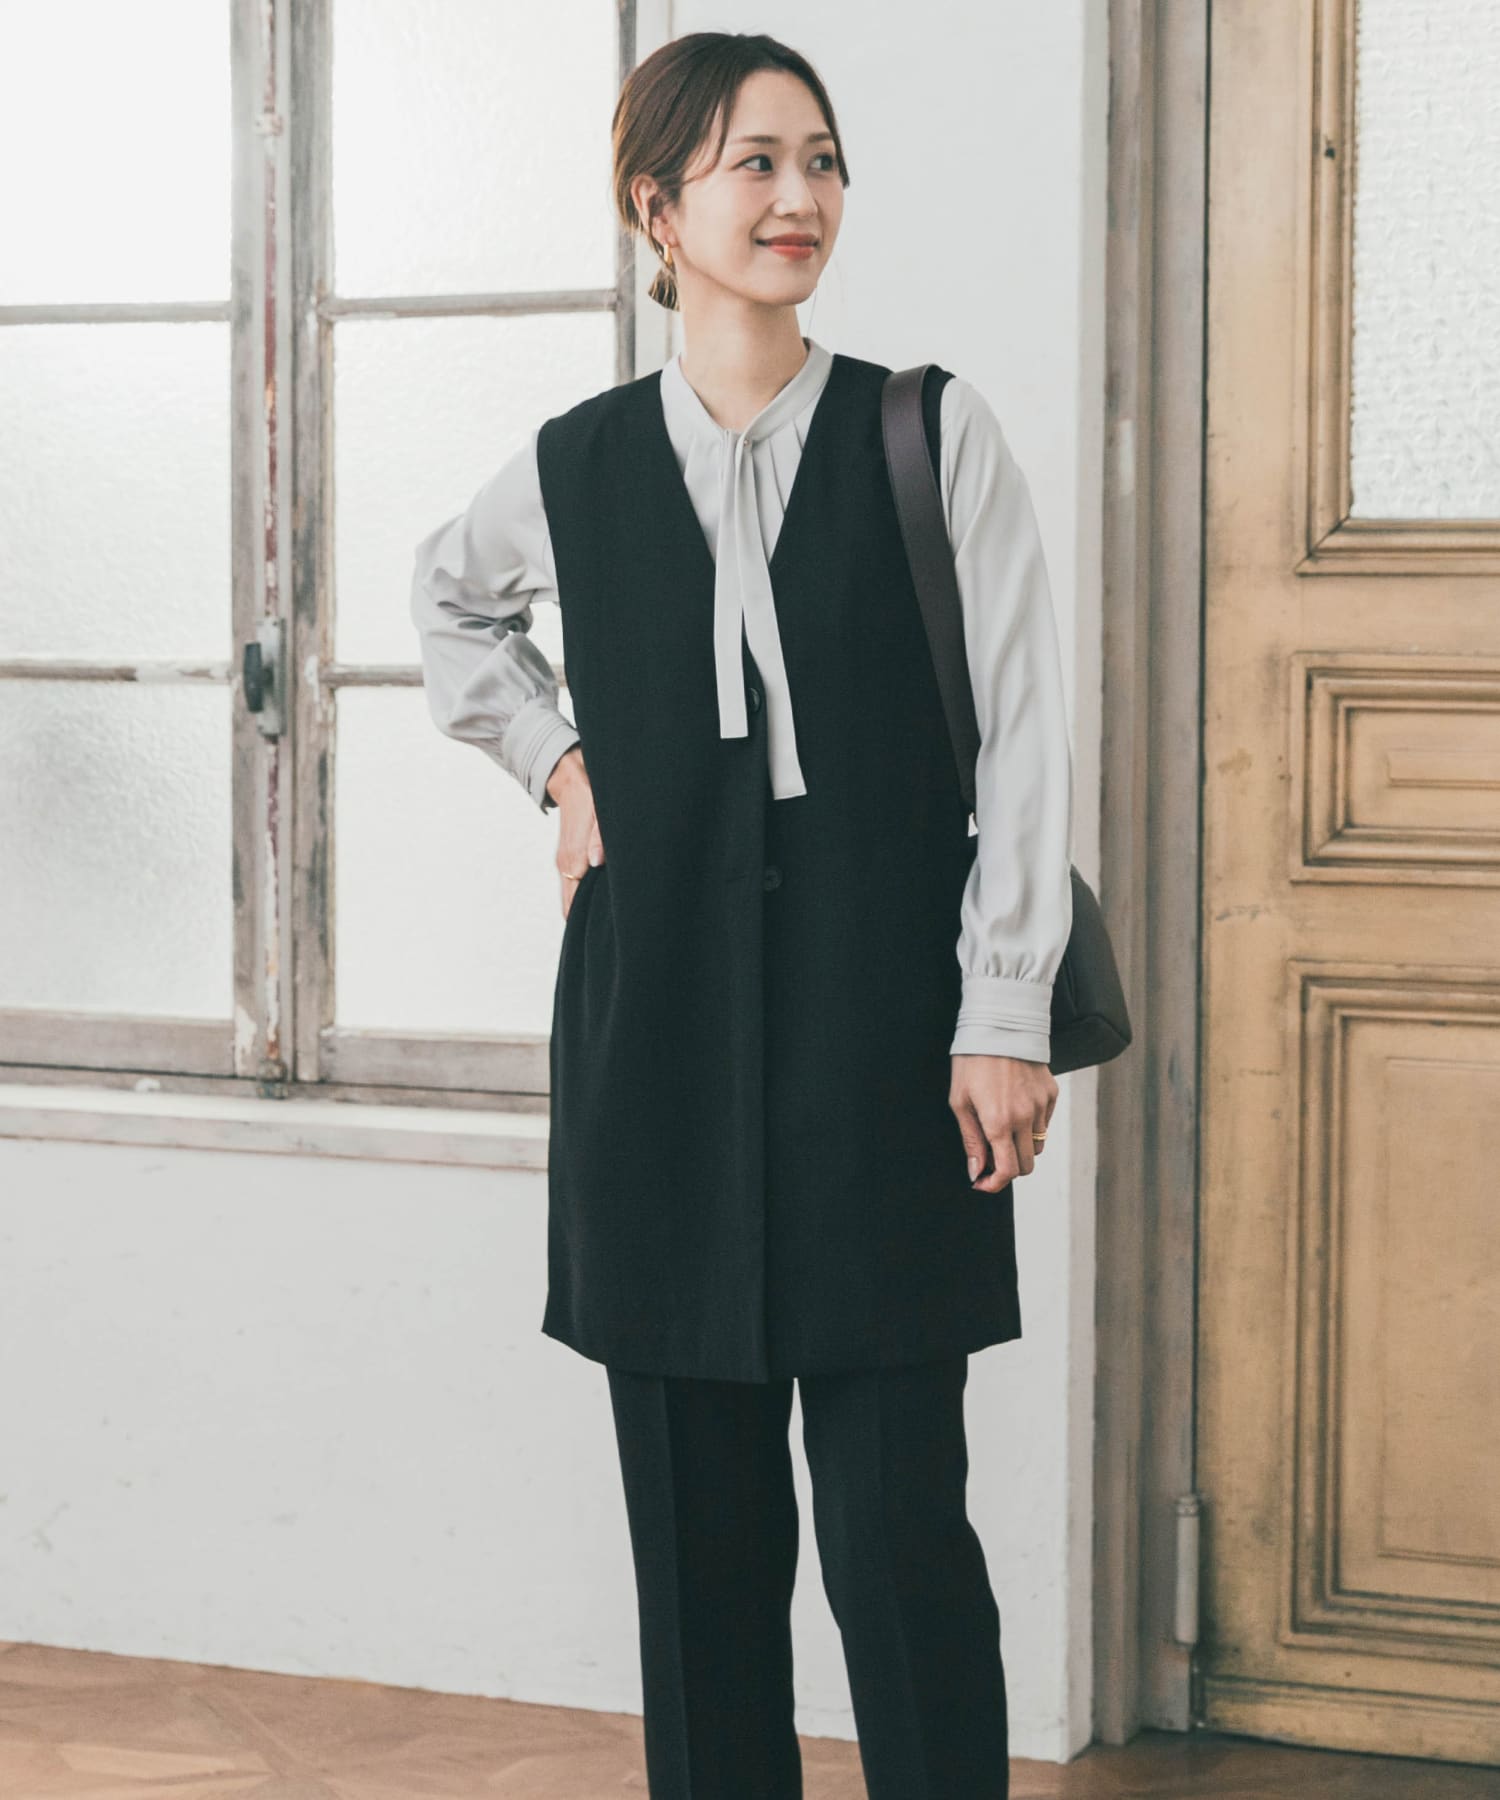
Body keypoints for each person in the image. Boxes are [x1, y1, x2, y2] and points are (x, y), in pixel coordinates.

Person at [409, 30, 1073, 1800]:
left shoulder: (927, 430)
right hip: (659, 1043)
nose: (800, 197)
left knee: (898, 1543)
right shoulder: (577, 462)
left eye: (822, 161)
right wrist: (559, 762)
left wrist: (1005, 1011)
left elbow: (1025, 740)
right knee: (700, 1570)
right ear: (658, 210)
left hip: (883, 1037)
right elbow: (449, 606)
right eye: (755, 164)